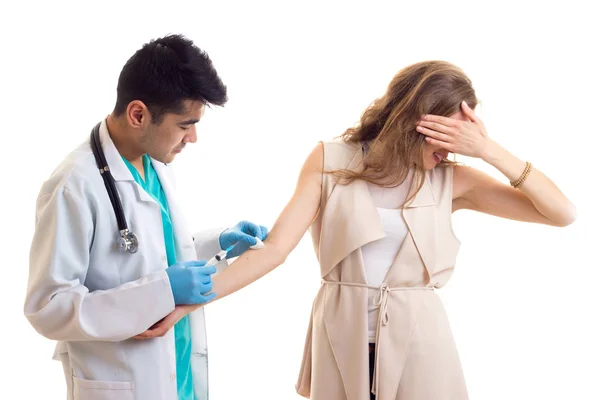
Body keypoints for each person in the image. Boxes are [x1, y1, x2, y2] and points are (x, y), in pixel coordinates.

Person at [138, 61, 577, 399]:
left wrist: (488, 150)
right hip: (340, 334)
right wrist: (186, 303)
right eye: (446, 135)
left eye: (461, 139)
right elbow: (273, 251)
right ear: (416, 122)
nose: (451, 150)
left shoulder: (453, 179)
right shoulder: (331, 159)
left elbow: (561, 213)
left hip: (422, 342)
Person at [23, 34, 268, 400]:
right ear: (139, 114)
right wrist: (161, 292)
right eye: (185, 124)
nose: (194, 138)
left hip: (179, 377)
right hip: (123, 384)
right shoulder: (74, 185)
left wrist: (216, 244)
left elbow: (150, 254)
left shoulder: (154, 161)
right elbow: (48, 308)